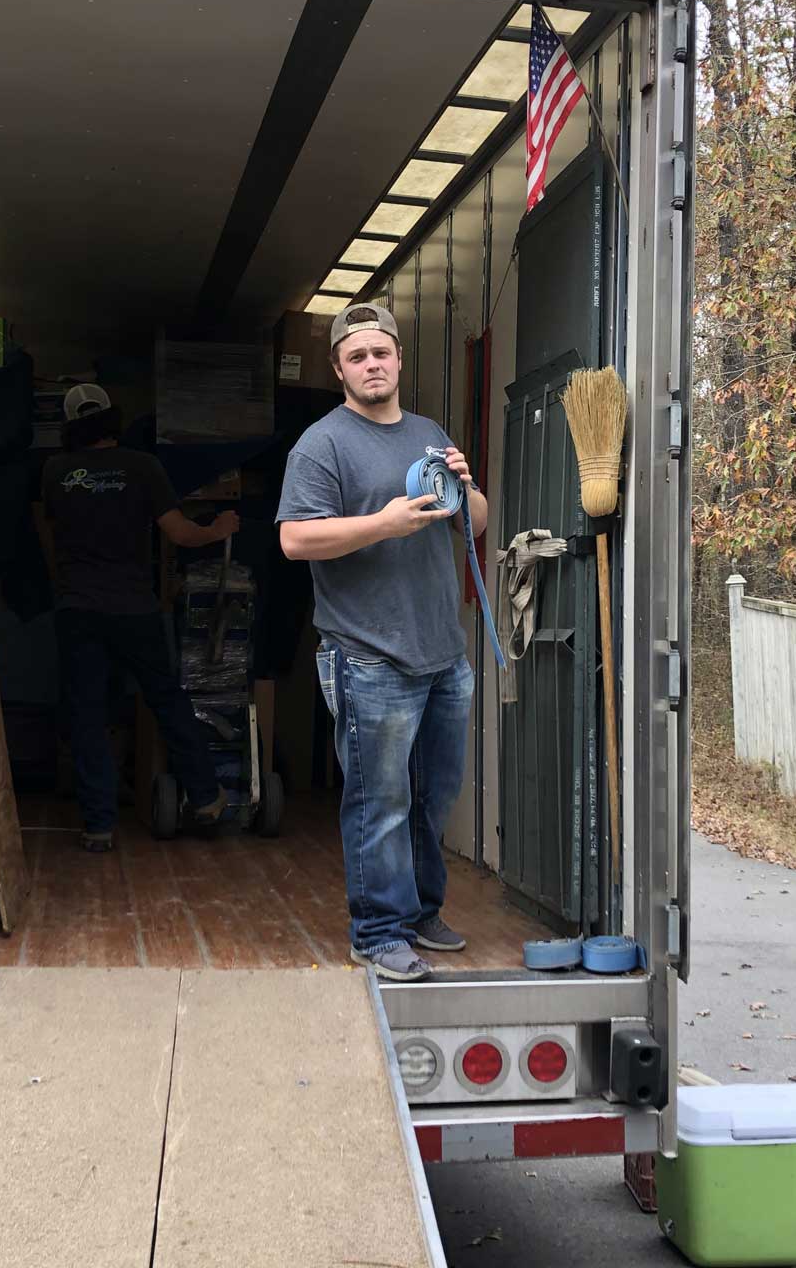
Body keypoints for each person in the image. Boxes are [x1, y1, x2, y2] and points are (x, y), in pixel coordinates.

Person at [276, 302, 486, 981]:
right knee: (380, 802)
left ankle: (423, 913)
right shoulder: (322, 444)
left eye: (382, 353)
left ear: (398, 359)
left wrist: (465, 486)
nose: (373, 364)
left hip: (442, 656)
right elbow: (294, 539)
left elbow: (474, 522)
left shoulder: (428, 432)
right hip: (368, 656)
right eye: (358, 356)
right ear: (339, 368)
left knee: (433, 798)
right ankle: (378, 932)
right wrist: (381, 525)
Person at [36, 383, 238, 851]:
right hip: (134, 607)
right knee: (166, 699)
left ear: (70, 427)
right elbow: (181, 534)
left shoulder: (54, 470)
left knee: (87, 713)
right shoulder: (142, 466)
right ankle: (207, 798)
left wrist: (64, 584)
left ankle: (98, 826)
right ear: (112, 419)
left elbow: (48, 535)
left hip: (77, 608)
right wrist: (218, 529)